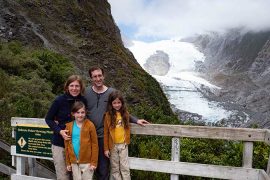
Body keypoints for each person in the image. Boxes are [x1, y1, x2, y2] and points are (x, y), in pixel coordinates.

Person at [85, 66, 149, 180]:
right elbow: (78, 110)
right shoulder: (86, 92)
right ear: (91, 78)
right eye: (95, 76)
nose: (98, 78)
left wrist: (136, 120)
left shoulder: (111, 92)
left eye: (100, 75)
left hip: (104, 138)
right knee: (87, 168)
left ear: (103, 76)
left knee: (103, 170)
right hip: (88, 136)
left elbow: (122, 111)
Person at [45, 75, 87, 180]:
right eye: (71, 85)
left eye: (77, 86)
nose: (74, 88)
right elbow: (48, 119)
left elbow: (86, 119)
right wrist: (59, 131)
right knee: (63, 176)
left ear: (81, 87)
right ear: (67, 87)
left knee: (78, 176)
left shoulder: (83, 101)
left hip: (77, 145)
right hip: (60, 145)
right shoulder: (59, 100)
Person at [64, 101, 98, 180]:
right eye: (78, 112)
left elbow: (95, 145)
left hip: (87, 162)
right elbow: (67, 145)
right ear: (73, 113)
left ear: (85, 113)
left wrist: (94, 162)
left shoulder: (90, 125)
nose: (80, 115)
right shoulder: (69, 126)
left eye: (82, 112)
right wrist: (68, 162)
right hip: (74, 162)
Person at [104, 90, 131, 180]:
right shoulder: (108, 116)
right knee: (115, 168)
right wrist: (106, 148)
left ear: (122, 103)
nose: (117, 105)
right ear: (111, 104)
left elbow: (129, 123)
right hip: (113, 146)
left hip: (123, 145)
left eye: (119, 102)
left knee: (125, 167)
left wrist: (138, 120)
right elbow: (106, 133)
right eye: (114, 103)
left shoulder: (125, 114)